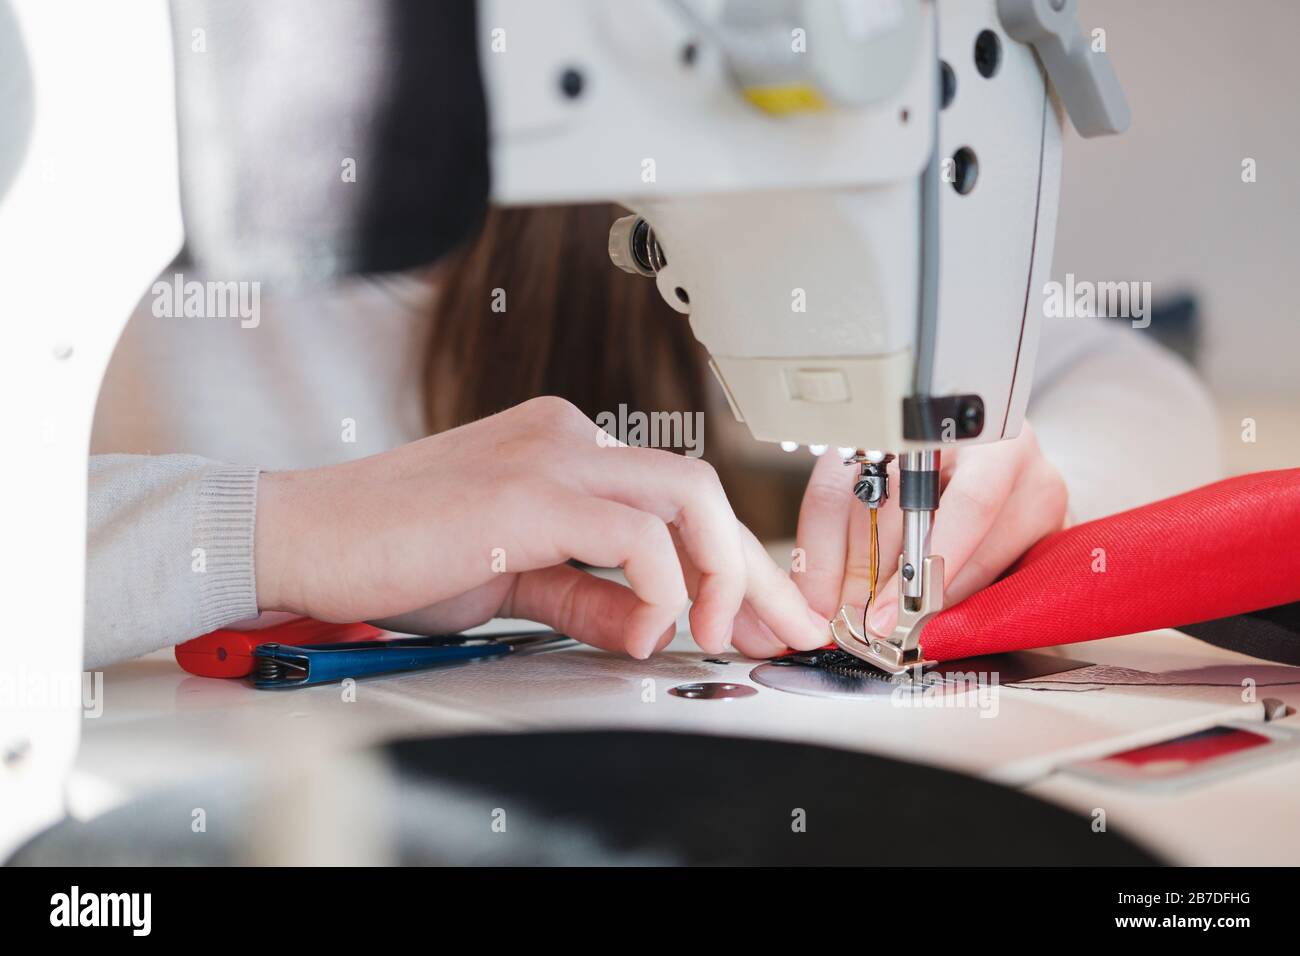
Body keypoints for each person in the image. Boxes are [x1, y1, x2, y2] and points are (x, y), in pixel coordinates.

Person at [88, 205, 1222, 668]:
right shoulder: (138, 247)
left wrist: (1031, 475)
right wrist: (269, 530)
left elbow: (1140, 389)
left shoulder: (703, 214)